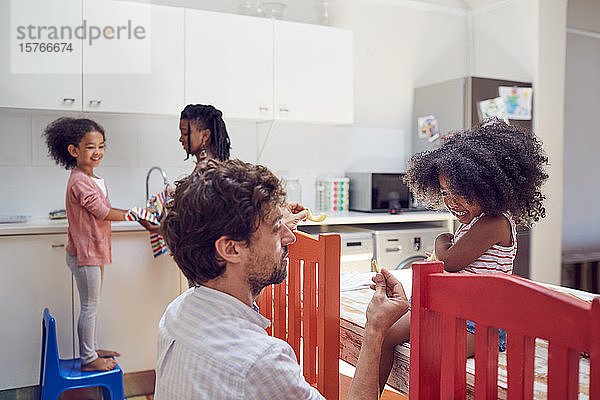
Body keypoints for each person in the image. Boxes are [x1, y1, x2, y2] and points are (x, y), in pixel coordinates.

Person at [154, 159, 410, 399]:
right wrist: (375, 329)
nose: (290, 238)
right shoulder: (261, 360)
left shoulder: (177, 312)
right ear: (231, 249)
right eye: (277, 228)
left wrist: (272, 221)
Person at [377, 118, 549, 390]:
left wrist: (441, 240)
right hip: (451, 308)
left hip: (480, 322)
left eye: (462, 194)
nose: (452, 202)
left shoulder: (494, 223)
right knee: (383, 333)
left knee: (430, 354)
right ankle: (370, 393)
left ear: (489, 188)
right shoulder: (473, 221)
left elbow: (450, 261)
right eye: (446, 193)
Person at [43, 117, 136, 371]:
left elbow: (102, 209)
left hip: (93, 251)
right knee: (90, 306)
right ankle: (88, 359)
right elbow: (102, 211)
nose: (98, 152)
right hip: (85, 254)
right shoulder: (79, 181)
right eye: (91, 147)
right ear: (74, 150)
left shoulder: (91, 178)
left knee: (91, 305)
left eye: (101, 146)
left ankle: (91, 349)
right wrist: (138, 214)